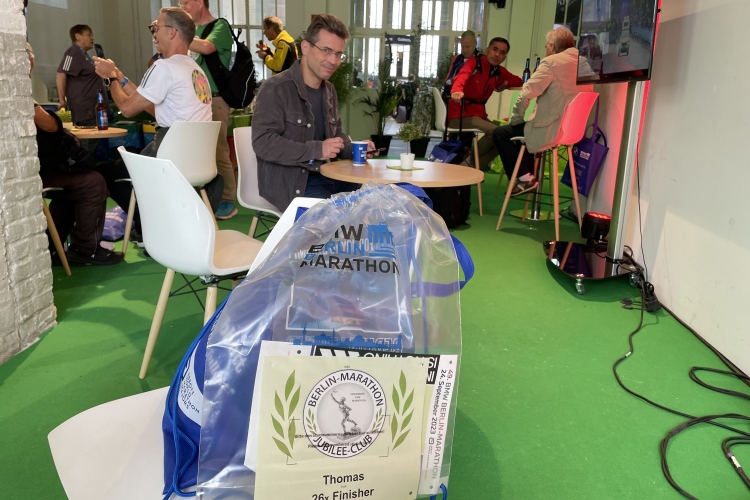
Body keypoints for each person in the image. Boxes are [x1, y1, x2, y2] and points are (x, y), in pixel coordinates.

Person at [252, 14, 375, 212]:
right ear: (306, 48)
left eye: (338, 54)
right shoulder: (275, 88)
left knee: (376, 200)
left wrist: (354, 149)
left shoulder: (329, 90)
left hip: (329, 176)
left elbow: (336, 136)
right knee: (339, 216)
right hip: (294, 185)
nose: (333, 61)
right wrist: (317, 150)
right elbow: (263, 143)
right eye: (326, 50)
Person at [29, 44, 123, 266]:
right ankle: (86, 249)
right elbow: (51, 126)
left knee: (79, 180)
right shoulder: (17, 92)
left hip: (41, 167)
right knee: (93, 182)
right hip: (36, 173)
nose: (31, 60)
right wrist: (60, 106)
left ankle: (52, 248)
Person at [492, 27, 594, 196]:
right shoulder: (584, 63)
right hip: (574, 132)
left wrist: (516, 120)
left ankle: (526, 179)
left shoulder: (551, 63)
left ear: (552, 46)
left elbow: (526, 94)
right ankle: (529, 177)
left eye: (546, 46)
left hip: (551, 129)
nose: (546, 49)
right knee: (525, 130)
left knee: (501, 133)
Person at [180, 0, 238, 220]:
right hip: (194, 100)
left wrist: (176, 34)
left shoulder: (220, 26)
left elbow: (206, 47)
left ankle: (227, 199)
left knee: (219, 150)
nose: (182, 6)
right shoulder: (192, 31)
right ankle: (208, 196)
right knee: (199, 151)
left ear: (199, 2)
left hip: (215, 99)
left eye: (185, 2)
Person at [449, 37, 522, 171]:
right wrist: (457, 90)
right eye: (495, 49)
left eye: (502, 52)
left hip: (478, 115)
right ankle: (469, 161)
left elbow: (518, 81)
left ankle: (472, 166)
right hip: (460, 115)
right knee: (496, 133)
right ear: (487, 50)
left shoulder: (498, 71)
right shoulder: (474, 62)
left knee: (505, 137)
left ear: (504, 58)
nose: (497, 54)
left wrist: (506, 83)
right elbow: (463, 74)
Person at [56, 24, 109, 127]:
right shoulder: (73, 52)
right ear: (77, 36)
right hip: (85, 111)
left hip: (94, 109)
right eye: (89, 35)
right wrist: (62, 100)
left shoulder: (83, 55)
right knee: (89, 137)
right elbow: (61, 73)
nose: (92, 38)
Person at [443, 30, 479, 98]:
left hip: (469, 98)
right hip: (451, 96)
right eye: (462, 47)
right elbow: (449, 76)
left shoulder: (479, 61)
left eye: (467, 47)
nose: (464, 50)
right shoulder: (456, 59)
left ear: (475, 44)